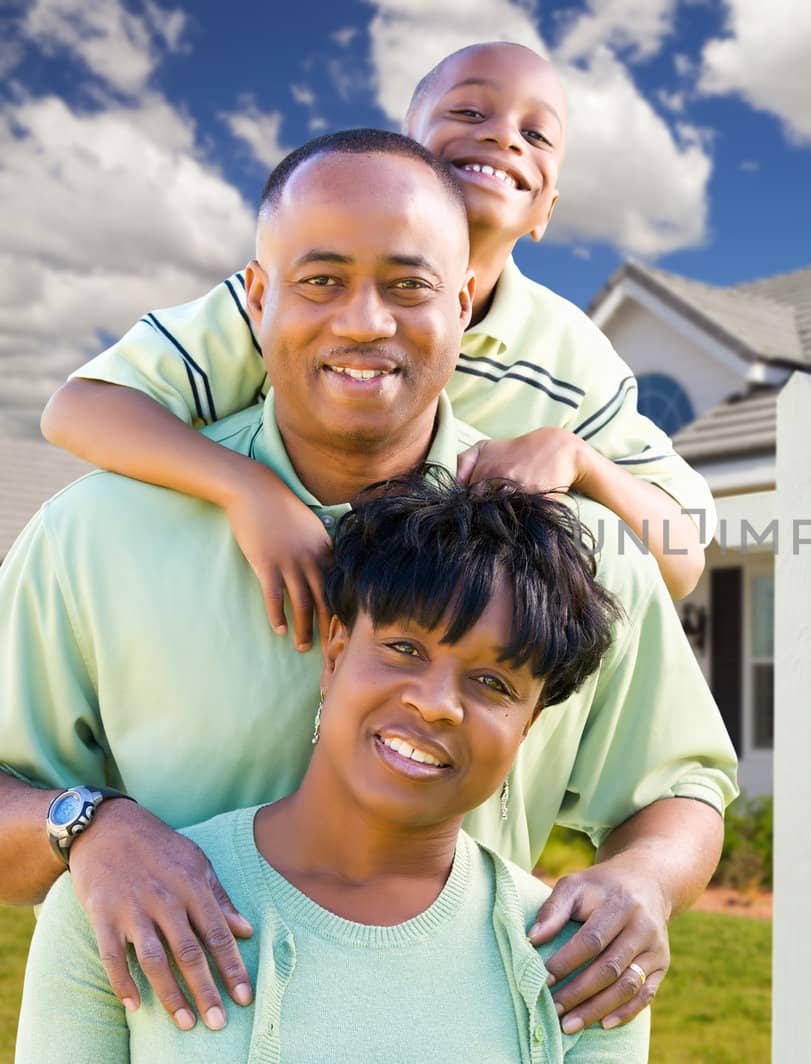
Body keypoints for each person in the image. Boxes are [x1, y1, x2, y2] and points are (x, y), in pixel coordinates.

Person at [0, 130, 735, 1039]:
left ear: (463, 304)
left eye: (408, 284)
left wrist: (645, 881)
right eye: (320, 281)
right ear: (258, 298)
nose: (364, 322)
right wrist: (88, 827)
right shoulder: (96, 535)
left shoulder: (574, 554)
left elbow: (683, 782)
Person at [41, 41, 709, 648]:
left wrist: (580, 460)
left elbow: (681, 558)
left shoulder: (572, 358)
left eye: (536, 133)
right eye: (471, 110)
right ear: (400, 154)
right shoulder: (289, 303)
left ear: (547, 213)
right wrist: (247, 490)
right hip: (243, 625)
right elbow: (80, 408)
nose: (504, 136)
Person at [17, 471, 649, 1062]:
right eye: (405, 648)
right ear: (336, 654)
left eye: (492, 682)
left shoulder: (585, 960)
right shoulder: (125, 901)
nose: (435, 704)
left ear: (528, 727)